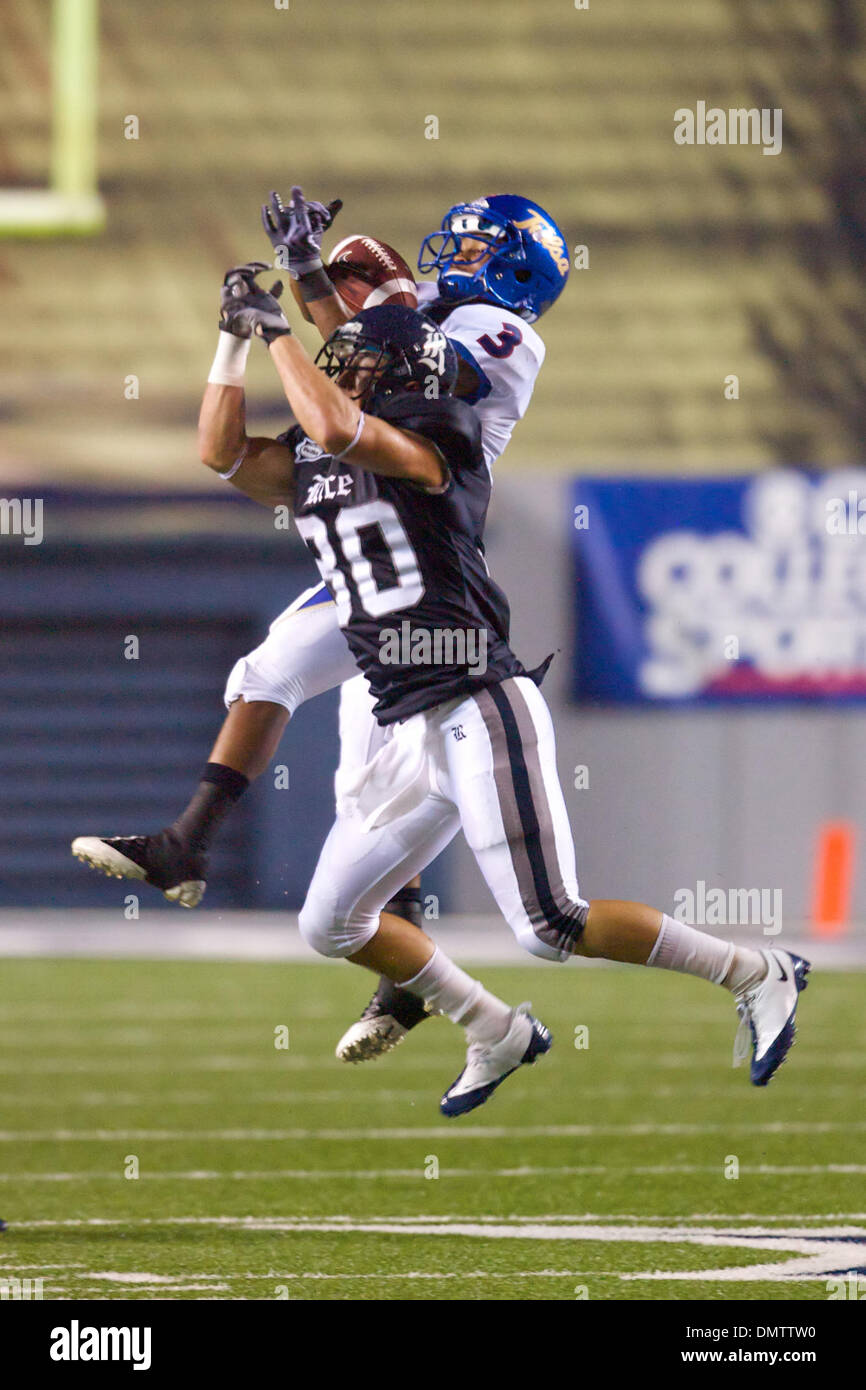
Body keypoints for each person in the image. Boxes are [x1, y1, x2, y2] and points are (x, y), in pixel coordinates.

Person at [196, 277, 811, 1117]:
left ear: (396, 375)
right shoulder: (324, 451)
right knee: (331, 922)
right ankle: (494, 1028)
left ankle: (755, 971)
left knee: (549, 923)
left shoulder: (435, 435)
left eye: (355, 357)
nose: (337, 361)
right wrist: (232, 340)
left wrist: (275, 336)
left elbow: (338, 426)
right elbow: (221, 454)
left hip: (477, 703)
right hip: (407, 721)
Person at [72, 187, 571, 1063]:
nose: (454, 256)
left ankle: (395, 959)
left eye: (474, 246)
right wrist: (298, 283)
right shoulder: (414, 322)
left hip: (422, 553)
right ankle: (189, 845)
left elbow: (379, 359)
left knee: (373, 783)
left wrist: (300, 301)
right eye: (450, 244)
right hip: (367, 548)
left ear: (516, 266)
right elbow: (350, 354)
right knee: (280, 696)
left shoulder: (498, 332)